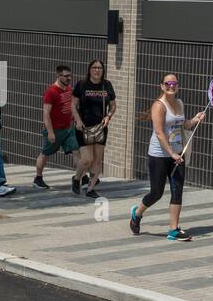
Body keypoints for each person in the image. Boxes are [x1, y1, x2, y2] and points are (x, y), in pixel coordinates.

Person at [130, 73, 205, 241]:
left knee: (177, 190)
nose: (171, 86)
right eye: (168, 83)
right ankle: (137, 213)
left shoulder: (179, 103)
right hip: (159, 154)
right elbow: (159, 132)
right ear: (162, 86)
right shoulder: (159, 105)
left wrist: (195, 119)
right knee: (156, 193)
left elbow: (182, 124)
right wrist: (171, 153)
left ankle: (174, 229)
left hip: (178, 153)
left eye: (174, 83)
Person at [72, 59, 117, 199]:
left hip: (100, 127)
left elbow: (113, 105)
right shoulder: (82, 84)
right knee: (87, 159)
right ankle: (77, 178)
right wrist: (78, 120)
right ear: (89, 69)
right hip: (83, 127)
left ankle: (90, 188)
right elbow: (73, 105)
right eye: (94, 67)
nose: (97, 70)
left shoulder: (106, 85)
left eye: (100, 68)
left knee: (97, 160)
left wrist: (108, 116)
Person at [33, 65, 79, 189]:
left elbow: (70, 106)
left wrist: (74, 119)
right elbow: (46, 114)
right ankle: (38, 178)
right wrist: (50, 132)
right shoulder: (51, 92)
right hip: (55, 130)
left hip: (69, 129)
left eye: (70, 76)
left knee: (77, 151)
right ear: (58, 76)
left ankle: (80, 177)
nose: (69, 78)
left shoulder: (68, 88)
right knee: (45, 153)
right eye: (66, 76)